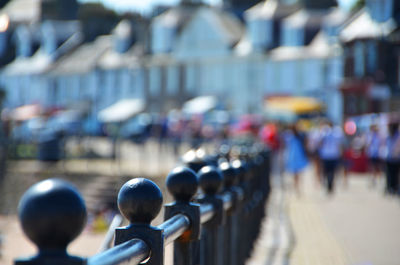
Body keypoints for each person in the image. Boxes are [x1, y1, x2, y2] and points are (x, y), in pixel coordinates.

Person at [318, 121, 344, 194]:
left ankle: (328, 184)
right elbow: (340, 145)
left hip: (326, 155)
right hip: (333, 155)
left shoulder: (324, 132)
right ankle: (330, 184)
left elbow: (320, 143)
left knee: (326, 171)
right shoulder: (337, 133)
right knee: (332, 171)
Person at [283, 123, 308, 195]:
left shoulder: (296, 136)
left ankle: (297, 188)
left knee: (297, 174)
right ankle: (297, 188)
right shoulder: (291, 136)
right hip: (295, 156)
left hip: (296, 155)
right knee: (296, 174)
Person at [382, 122, 400, 195]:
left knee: (394, 175)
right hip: (390, 158)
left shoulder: (397, 136)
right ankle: (390, 188)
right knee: (389, 174)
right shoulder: (389, 135)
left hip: (395, 158)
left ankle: (394, 188)